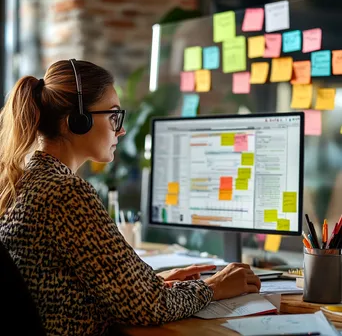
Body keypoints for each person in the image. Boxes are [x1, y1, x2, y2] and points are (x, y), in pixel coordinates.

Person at [0, 59, 261, 336]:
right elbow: (148, 307)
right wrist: (213, 287)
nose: (121, 129)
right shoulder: (64, 193)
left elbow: (69, 286)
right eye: (113, 116)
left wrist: (149, 283)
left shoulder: (25, 182)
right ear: (77, 121)